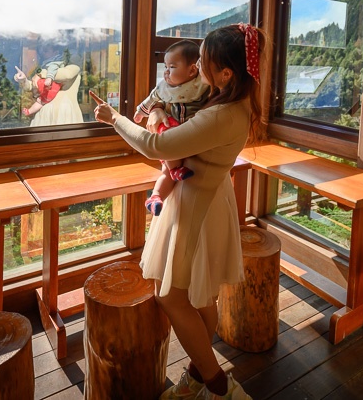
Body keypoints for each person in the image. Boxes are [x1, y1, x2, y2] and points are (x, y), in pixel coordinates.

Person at [93, 23, 264, 400]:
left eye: (205, 60)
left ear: (225, 73)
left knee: (171, 296)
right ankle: (199, 374)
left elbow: (157, 146)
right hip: (209, 196)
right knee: (201, 295)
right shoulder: (232, 101)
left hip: (196, 207)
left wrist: (114, 119)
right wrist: (155, 108)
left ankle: (218, 386)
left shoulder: (220, 114)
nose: (199, 65)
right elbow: (170, 115)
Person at [135, 40, 210, 217]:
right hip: (171, 133)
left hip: (190, 141)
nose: (166, 72)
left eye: (172, 67)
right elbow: (151, 99)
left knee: (167, 173)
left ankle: (156, 196)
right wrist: (141, 112)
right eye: (165, 67)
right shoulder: (164, 87)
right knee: (167, 165)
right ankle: (160, 191)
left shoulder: (203, 85)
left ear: (192, 70)